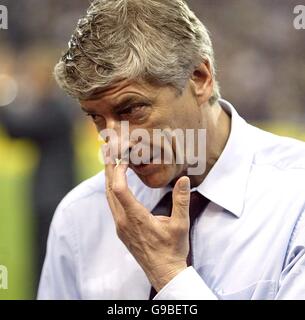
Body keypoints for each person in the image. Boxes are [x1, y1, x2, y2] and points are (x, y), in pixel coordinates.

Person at [38, 0, 305, 300]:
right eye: (96, 117)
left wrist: (167, 273)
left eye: (131, 109)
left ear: (200, 78)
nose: (116, 142)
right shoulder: (79, 218)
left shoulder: (295, 202)